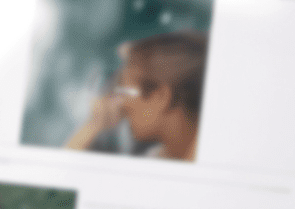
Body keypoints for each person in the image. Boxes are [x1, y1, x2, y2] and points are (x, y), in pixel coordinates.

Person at [66, 30, 207, 162]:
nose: (122, 103)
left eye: (125, 91)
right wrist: (94, 125)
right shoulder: (159, 158)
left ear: (160, 98)